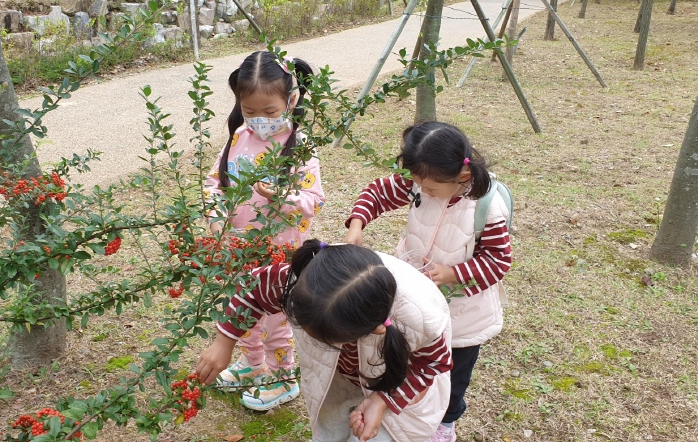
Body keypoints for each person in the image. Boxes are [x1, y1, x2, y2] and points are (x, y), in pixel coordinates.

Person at [343, 121, 513, 442]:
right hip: (415, 297)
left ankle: (445, 423)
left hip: (462, 316)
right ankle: (403, 403)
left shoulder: (487, 209)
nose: (423, 190)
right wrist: (357, 225)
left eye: (431, 189)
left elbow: (498, 261)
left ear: (462, 176)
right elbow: (378, 192)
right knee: (413, 357)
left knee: (452, 373)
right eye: (417, 183)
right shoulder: (423, 178)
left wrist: (452, 274)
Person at [196, 240, 453, 442]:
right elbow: (251, 288)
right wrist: (225, 341)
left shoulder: (420, 318)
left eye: (325, 339)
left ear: (375, 330)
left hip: (396, 382)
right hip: (334, 375)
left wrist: (382, 401)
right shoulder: (305, 281)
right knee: (329, 427)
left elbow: (433, 364)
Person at [203, 50, 326, 411]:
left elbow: (314, 199)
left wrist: (284, 197)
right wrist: (217, 222)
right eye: (250, 111)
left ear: (291, 99)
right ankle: (253, 365)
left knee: (275, 316)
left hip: (279, 253)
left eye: (269, 112)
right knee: (240, 307)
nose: (259, 121)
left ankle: (282, 376)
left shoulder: (299, 148)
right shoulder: (238, 137)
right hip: (237, 249)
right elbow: (214, 184)